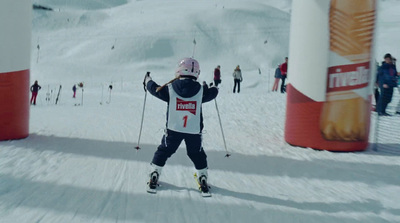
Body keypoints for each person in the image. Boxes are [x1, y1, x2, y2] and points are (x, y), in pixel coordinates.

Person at [143, 57, 218, 194]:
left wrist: (147, 80)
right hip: (194, 131)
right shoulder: (201, 90)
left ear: (179, 70)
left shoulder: (170, 88)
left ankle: (154, 173)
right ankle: (202, 176)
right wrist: (213, 86)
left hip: (174, 129)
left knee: (164, 151)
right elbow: (213, 93)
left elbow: (154, 89)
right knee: (196, 153)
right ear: (197, 73)